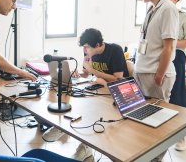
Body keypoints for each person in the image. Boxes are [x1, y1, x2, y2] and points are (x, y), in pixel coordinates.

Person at [42, 28, 128, 161]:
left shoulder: (115, 50)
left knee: (91, 109)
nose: (85, 50)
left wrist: (94, 71)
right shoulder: (88, 52)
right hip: (99, 89)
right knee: (77, 99)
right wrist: (77, 73)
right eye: (84, 47)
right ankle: (66, 130)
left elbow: (118, 78)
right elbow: (86, 73)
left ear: (98, 45)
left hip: (117, 93)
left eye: (87, 47)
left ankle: (85, 147)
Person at [134, 0, 178, 162]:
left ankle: (156, 159)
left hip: (155, 74)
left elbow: (169, 46)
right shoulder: (152, 9)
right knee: (144, 120)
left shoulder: (168, 8)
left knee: (158, 122)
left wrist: (160, 75)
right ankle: (145, 155)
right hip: (144, 71)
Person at [163, 0, 186, 151]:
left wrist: (170, 45)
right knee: (159, 95)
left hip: (177, 55)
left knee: (177, 93)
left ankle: (181, 135)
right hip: (158, 55)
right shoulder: (158, 14)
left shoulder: (184, 16)